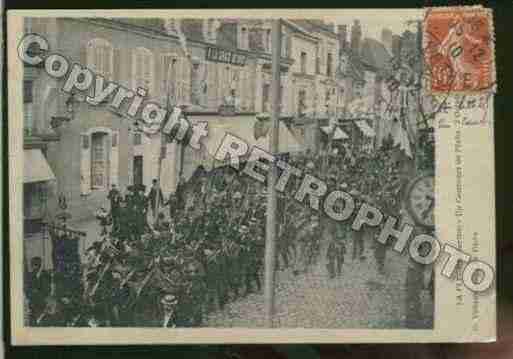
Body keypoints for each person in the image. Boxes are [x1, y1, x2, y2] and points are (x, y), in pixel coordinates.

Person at [25, 256, 52, 325]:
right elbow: (27, 289)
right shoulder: (29, 275)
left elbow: (47, 290)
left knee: (42, 321)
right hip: (32, 304)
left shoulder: (46, 275)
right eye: (33, 265)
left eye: (36, 265)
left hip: (42, 303)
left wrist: (38, 293)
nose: (34, 267)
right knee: (33, 322)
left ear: (39, 265)